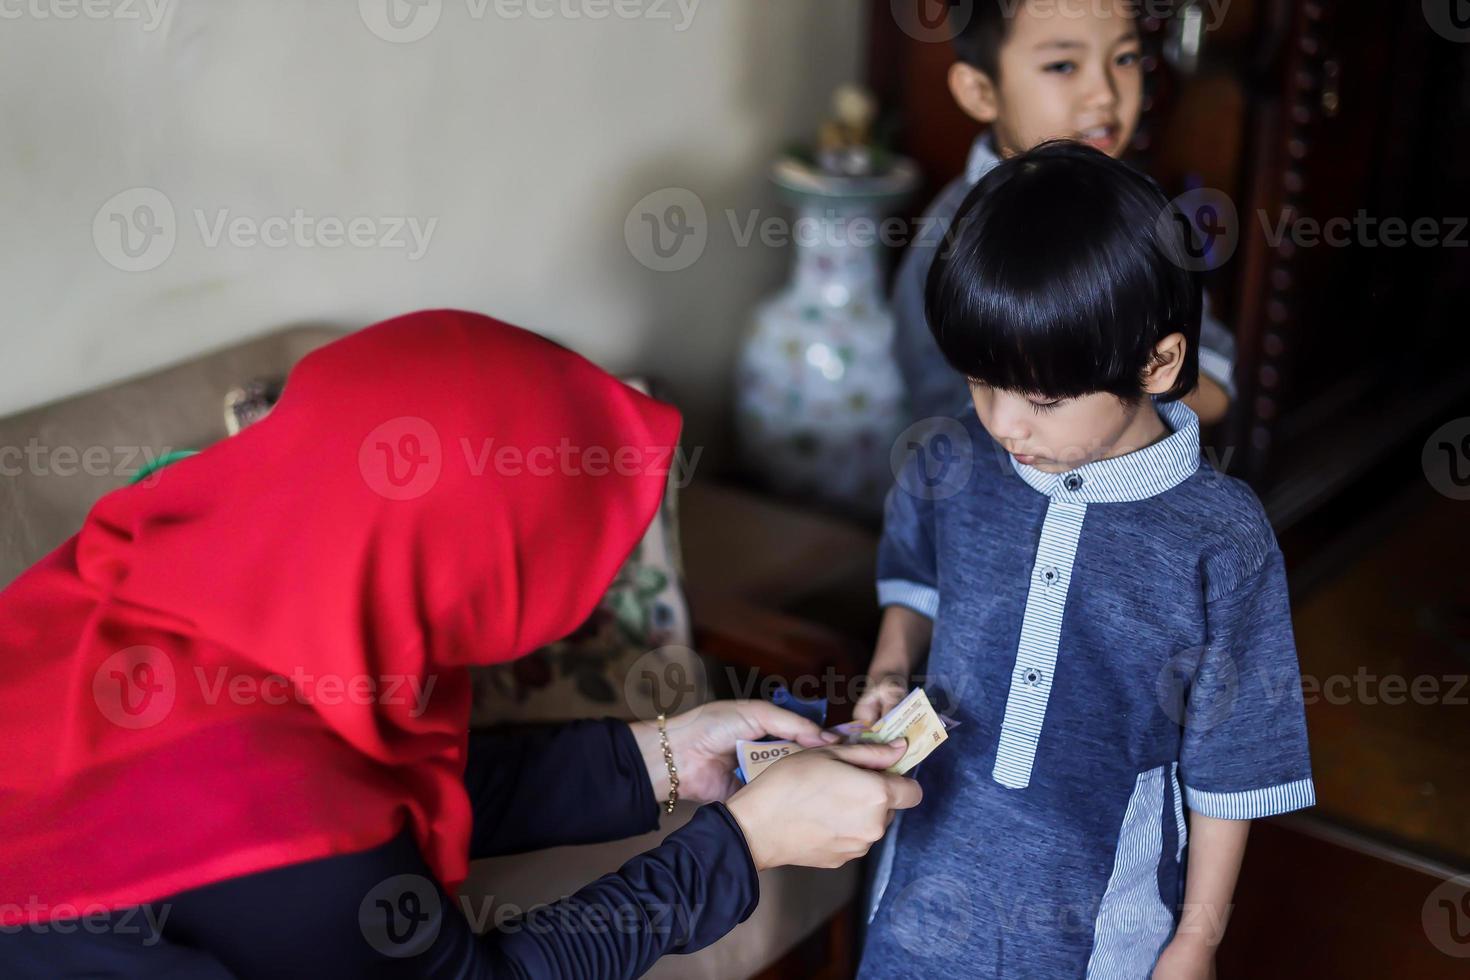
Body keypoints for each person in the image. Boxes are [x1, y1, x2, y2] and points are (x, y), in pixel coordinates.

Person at [0, 309, 921, 978]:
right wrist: (746, 843)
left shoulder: (161, 565)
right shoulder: (281, 813)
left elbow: (391, 783)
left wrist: (671, 759)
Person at [853, 144, 1314, 978]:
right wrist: (889, 670)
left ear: (1159, 364)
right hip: (922, 881)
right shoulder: (957, 459)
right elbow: (916, 572)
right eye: (978, 382)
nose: (1002, 424)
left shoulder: (1220, 540)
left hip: (1101, 922)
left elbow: (1233, 764)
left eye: (1039, 400)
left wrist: (1196, 941)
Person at [892, 0, 1237, 427]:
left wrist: (1133, 373)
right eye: (1062, 66)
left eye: (1125, 58)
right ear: (981, 91)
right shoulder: (951, 238)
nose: (1106, 94)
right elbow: (945, 423)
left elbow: (1219, 387)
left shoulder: (1146, 215)